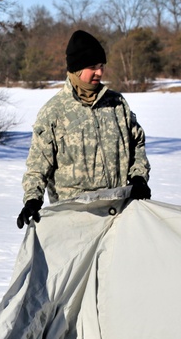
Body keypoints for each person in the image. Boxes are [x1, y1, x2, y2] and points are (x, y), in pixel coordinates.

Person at [17, 29, 151, 229]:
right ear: (77, 68)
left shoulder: (117, 104)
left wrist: (139, 177)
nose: (100, 72)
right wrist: (32, 200)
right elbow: (38, 165)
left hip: (118, 214)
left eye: (101, 66)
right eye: (92, 67)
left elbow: (136, 142)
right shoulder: (54, 112)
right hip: (74, 220)